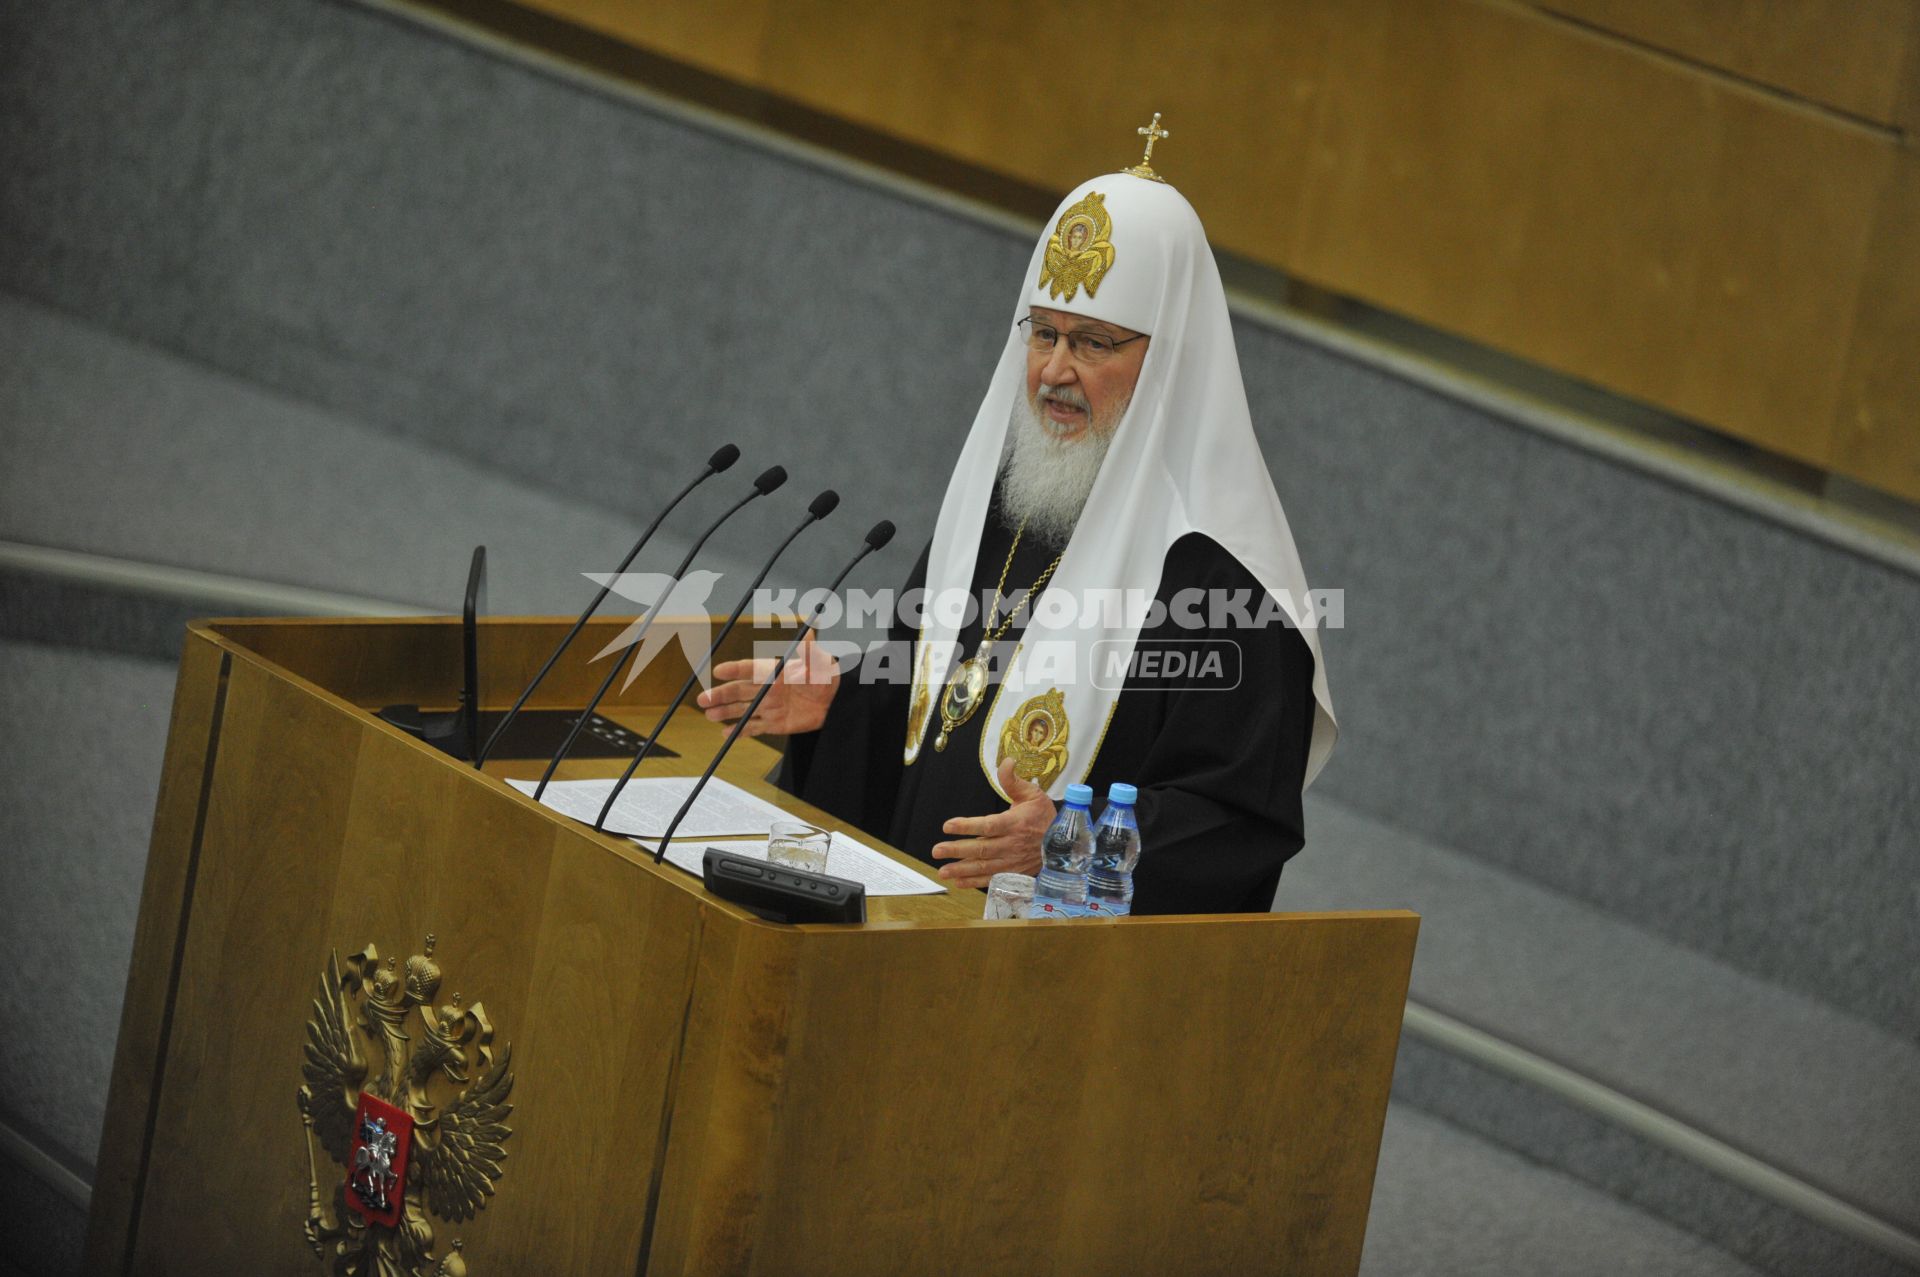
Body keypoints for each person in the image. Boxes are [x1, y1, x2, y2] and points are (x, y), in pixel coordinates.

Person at [698, 144, 1337, 914]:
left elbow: (1237, 823)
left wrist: (1073, 846)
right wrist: (841, 701)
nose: (1054, 372)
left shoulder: (1221, 574)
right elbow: (940, 698)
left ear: (1170, 363)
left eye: (1094, 342)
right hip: (900, 925)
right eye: (1043, 333)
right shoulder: (1005, 499)